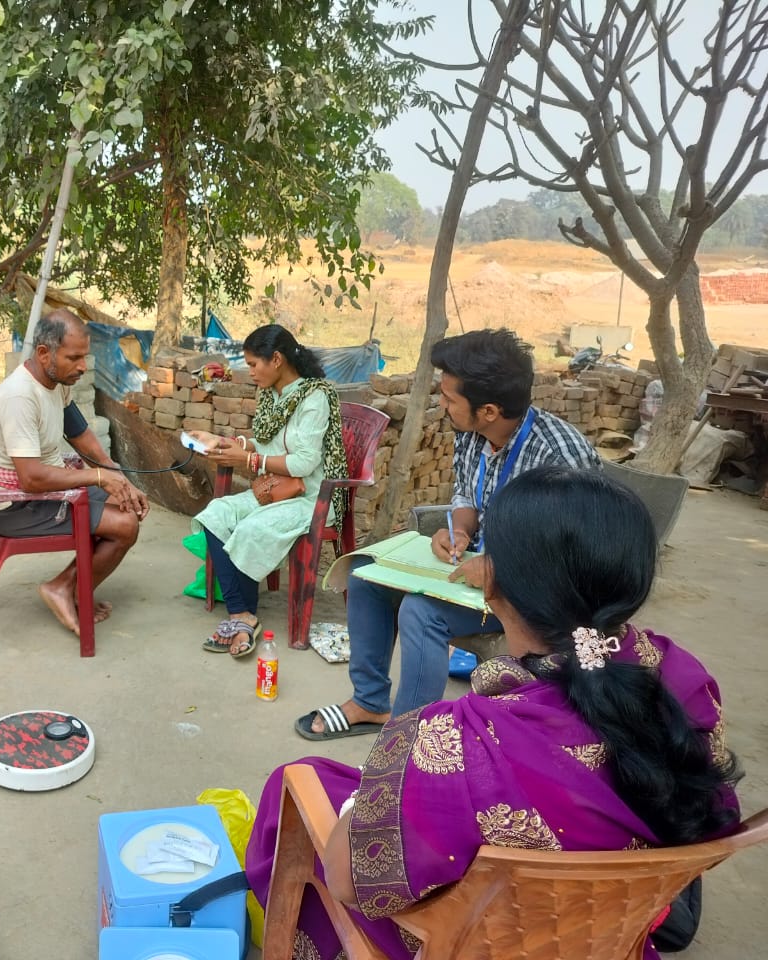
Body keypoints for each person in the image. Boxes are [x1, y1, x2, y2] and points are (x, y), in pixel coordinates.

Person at [249, 466, 741, 960]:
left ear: (492, 585)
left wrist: (366, 797)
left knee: (295, 781)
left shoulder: (453, 742)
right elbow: (712, 816)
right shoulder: (688, 681)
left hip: (472, 940)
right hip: (607, 931)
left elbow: (349, 881)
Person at [299, 328, 600, 740]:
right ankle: (370, 704)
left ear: (489, 410)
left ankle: (409, 740)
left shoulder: (561, 458)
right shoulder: (472, 434)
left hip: (538, 594)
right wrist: (458, 530)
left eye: (450, 399)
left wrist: (500, 567)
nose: (443, 405)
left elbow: (578, 558)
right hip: (478, 572)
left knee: (422, 614)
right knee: (365, 577)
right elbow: (466, 494)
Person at [0, 309, 149, 632]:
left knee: (126, 505)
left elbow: (82, 436)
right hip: (17, 507)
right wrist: (99, 477)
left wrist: (118, 477)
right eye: (74, 358)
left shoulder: (55, 382)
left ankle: (68, 587)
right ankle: (65, 588)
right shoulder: (20, 396)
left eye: (84, 357)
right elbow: (31, 478)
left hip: (40, 492)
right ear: (44, 353)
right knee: (125, 526)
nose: (83, 367)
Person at [190, 325, 348, 658]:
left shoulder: (315, 396)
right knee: (215, 515)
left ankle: (240, 618)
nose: (249, 372)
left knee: (251, 527)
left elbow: (304, 463)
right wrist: (224, 443)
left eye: (252, 364)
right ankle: (243, 614)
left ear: (276, 359)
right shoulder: (273, 395)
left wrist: (246, 457)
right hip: (277, 490)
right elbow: (265, 445)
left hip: (312, 498)